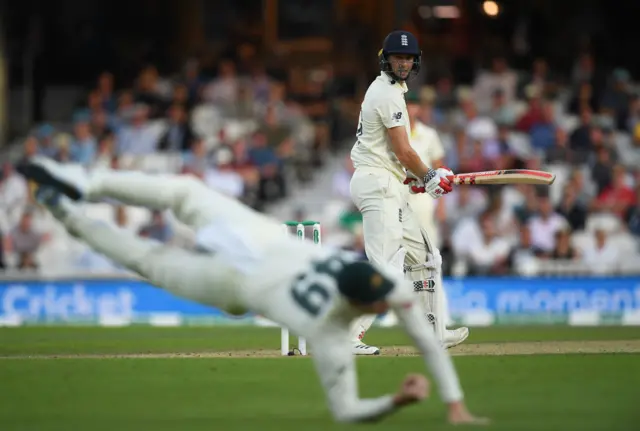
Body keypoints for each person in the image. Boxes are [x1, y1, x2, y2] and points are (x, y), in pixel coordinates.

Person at [18, 157, 488, 425]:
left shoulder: (353, 301)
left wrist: (431, 402)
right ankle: (72, 198)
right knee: (151, 253)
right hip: (243, 264)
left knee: (178, 202)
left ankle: (77, 195)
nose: (390, 303)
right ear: (362, 303)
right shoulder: (334, 326)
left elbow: (411, 346)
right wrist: (439, 403)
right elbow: (349, 410)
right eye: (381, 302)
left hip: (245, 255)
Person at [349, 30, 469, 355]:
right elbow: (403, 151)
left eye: (407, 58)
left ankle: (434, 333)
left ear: (415, 62)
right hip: (377, 184)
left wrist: (417, 179)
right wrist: (429, 175)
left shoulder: (391, 91)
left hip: (388, 182)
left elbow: (394, 157)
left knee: (426, 258)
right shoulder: (387, 93)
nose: (402, 63)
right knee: (386, 268)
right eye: (397, 57)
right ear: (385, 59)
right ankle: (347, 335)